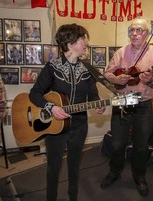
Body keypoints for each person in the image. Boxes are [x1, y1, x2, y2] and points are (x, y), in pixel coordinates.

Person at [29, 23, 106, 201]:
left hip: (79, 126)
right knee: (53, 167)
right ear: (71, 44)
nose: (86, 42)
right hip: (55, 127)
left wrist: (98, 105)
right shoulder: (52, 67)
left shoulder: (88, 69)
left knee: (74, 165)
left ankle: (73, 197)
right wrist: (51, 107)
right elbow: (35, 94)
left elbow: (93, 96)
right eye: (82, 39)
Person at [101, 18, 153, 197]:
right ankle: (114, 172)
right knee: (117, 143)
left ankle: (139, 176)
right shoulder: (121, 52)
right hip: (122, 101)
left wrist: (150, 80)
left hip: (143, 104)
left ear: (147, 34)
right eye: (132, 30)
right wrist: (115, 79)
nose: (134, 34)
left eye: (139, 30)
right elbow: (107, 73)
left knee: (141, 145)